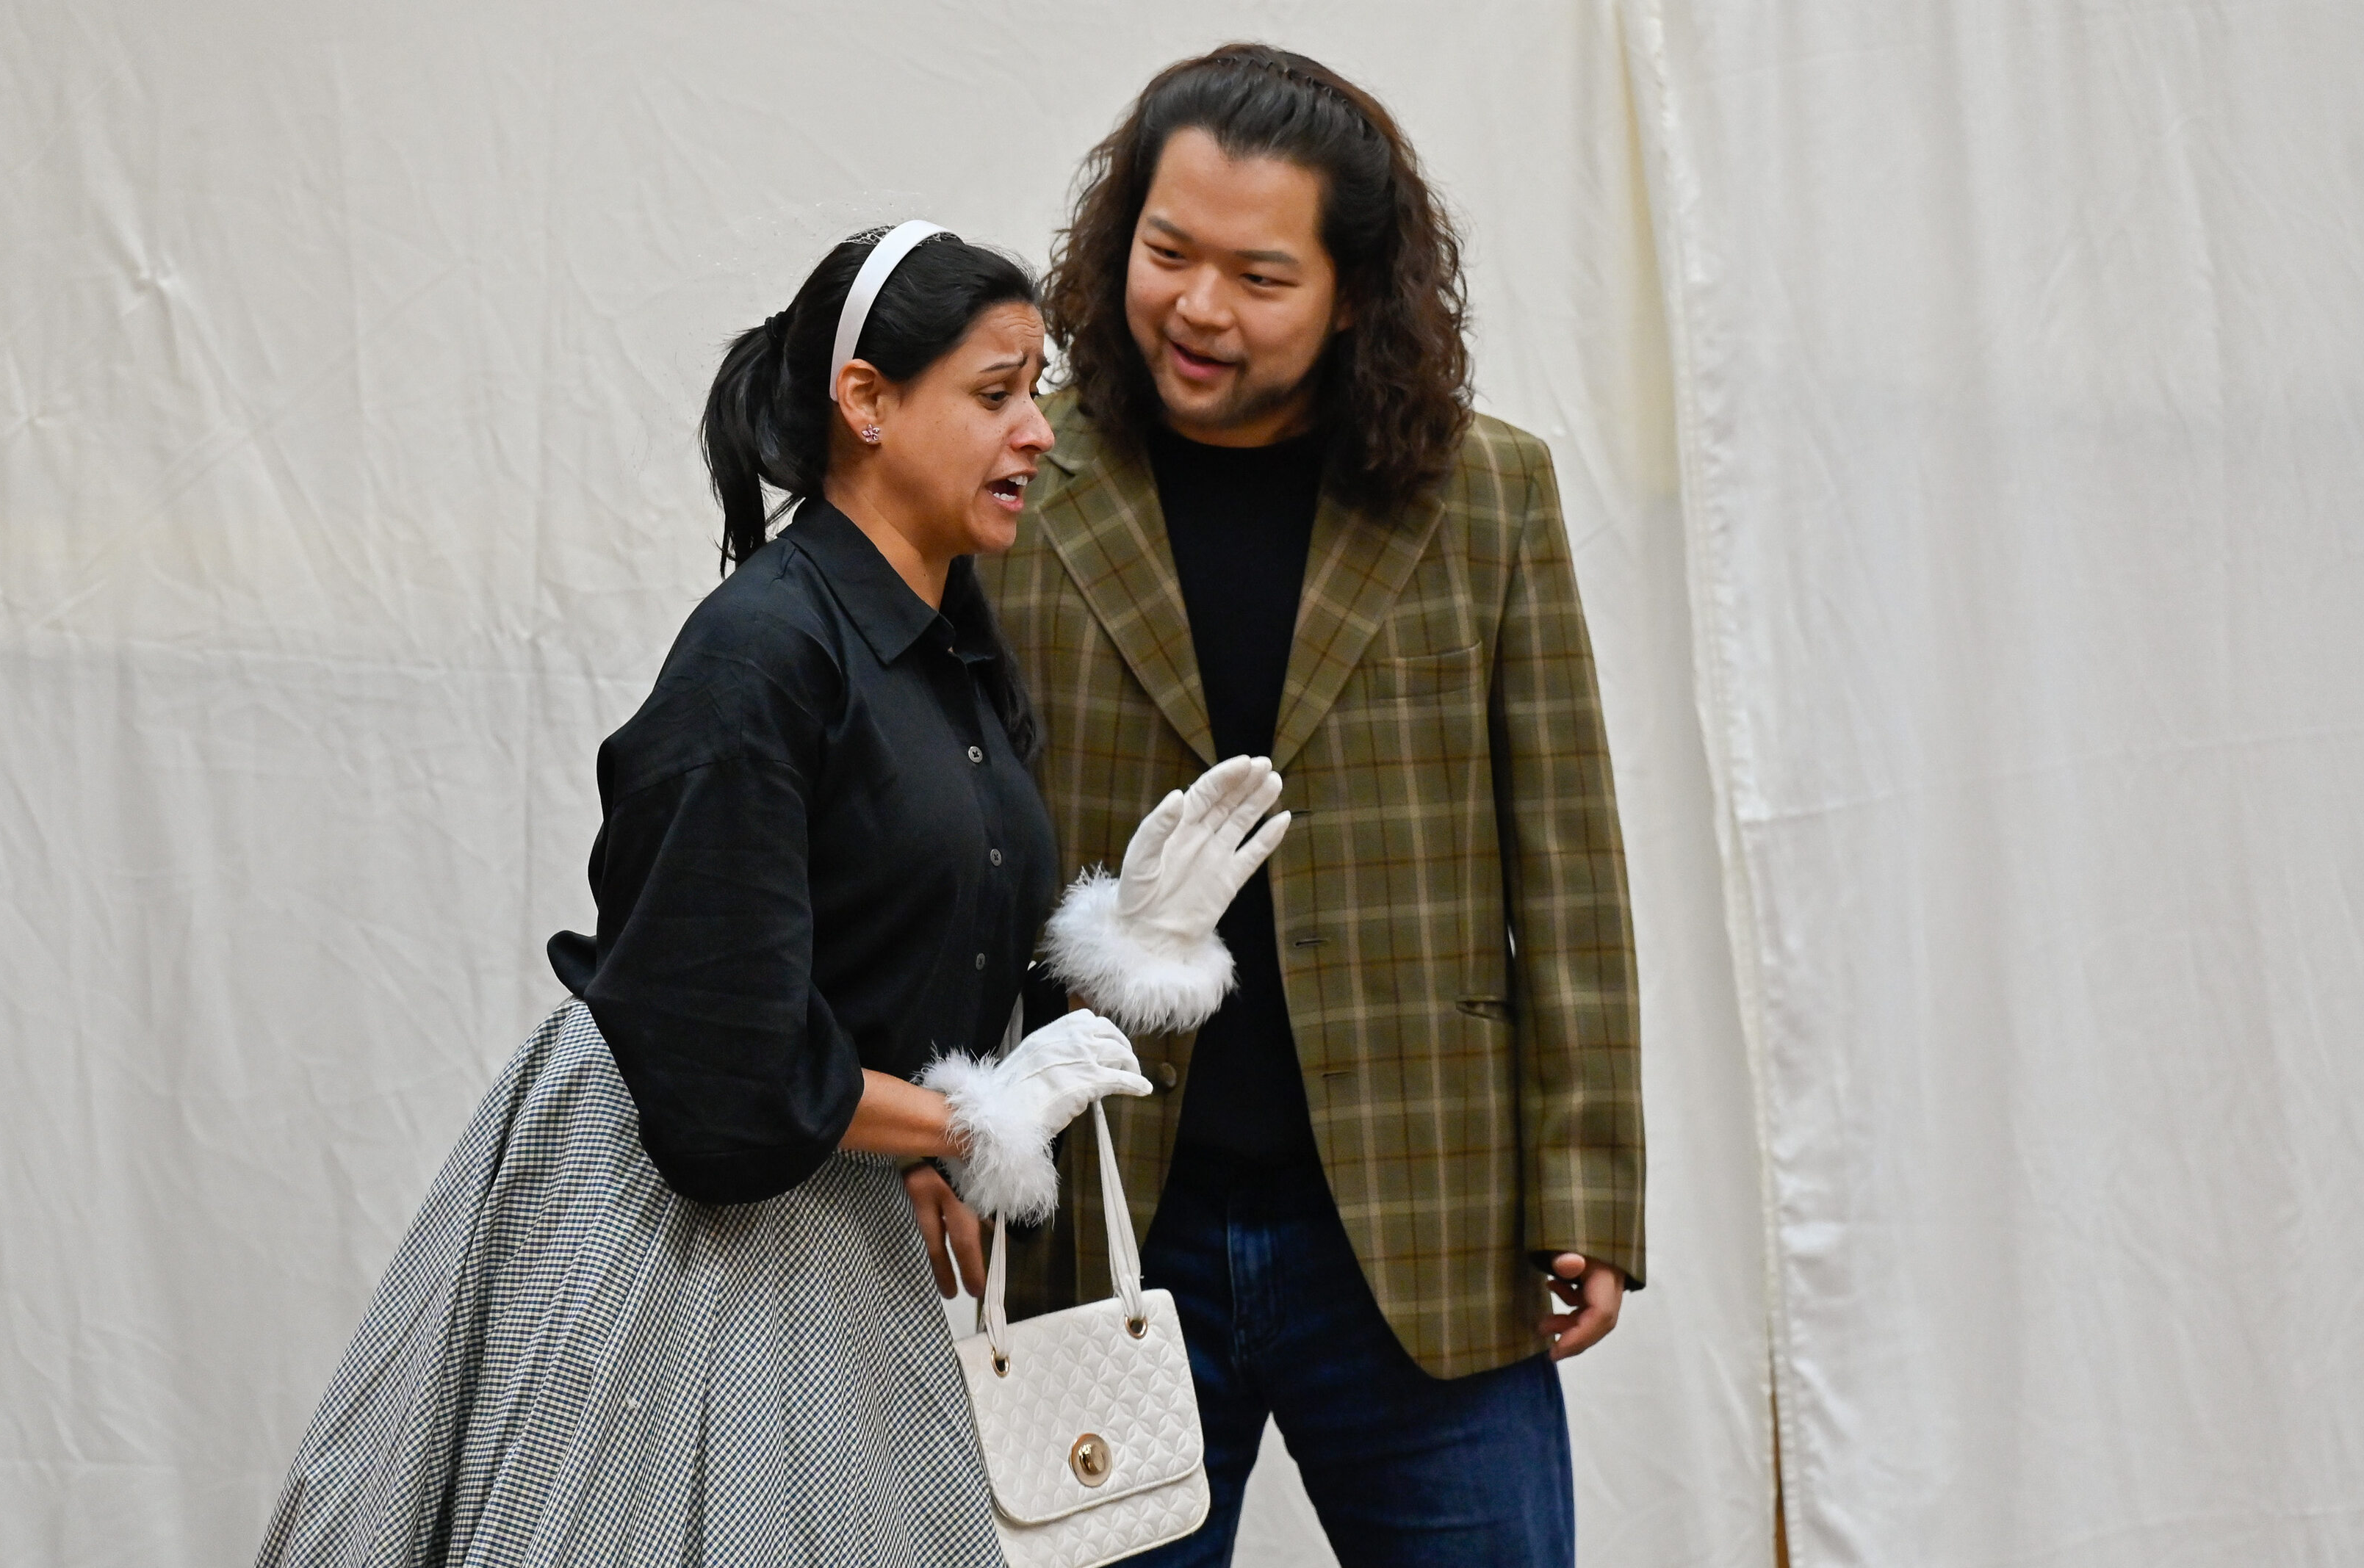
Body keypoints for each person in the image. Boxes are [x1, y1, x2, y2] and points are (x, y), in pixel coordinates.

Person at [255, 223, 1288, 1567]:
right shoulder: (760, 652)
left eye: (1036, 390)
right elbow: (723, 1069)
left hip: (837, 1234)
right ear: (864, 401)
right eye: (995, 393)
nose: (1038, 432)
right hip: (673, 1249)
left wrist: (1122, 951)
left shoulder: (959, 657)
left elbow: (904, 963)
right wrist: (966, 1122)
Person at [985, 46, 1644, 1567]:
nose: (1196, 306)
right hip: (1107, 1230)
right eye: (1166, 252)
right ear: (1114, 240)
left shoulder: (1487, 500)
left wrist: (1588, 1179)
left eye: (1257, 274)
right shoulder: (1020, 481)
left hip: (1425, 1217)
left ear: (1353, 291)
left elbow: (1570, 872)